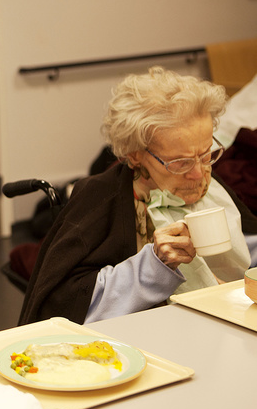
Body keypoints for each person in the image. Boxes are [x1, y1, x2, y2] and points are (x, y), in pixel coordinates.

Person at [19, 66, 257, 325]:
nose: (199, 175)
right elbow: (64, 308)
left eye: (207, 154)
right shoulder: (100, 197)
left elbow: (248, 247)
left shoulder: (210, 183)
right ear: (134, 154)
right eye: (180, 163)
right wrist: (154, 266)